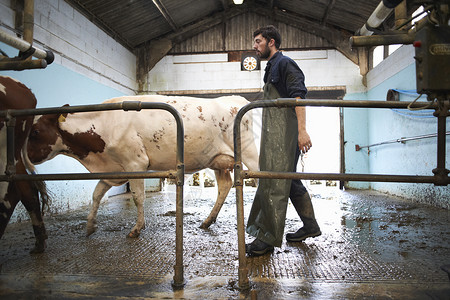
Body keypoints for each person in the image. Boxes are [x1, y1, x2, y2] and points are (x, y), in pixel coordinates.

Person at [246, 25, 321, 256]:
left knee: (275, 183)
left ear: (271, 42)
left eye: (258, 41)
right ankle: (310, 226)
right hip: (274, 136)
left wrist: (302, 131)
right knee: (288, 180)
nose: (254, 46)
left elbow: (298, 97)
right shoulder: (271, 67)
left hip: (285, 136)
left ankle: (266, 239)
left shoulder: (285, 63)